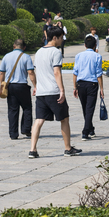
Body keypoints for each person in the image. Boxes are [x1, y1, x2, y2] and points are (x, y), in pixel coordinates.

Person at [29, 27, 81, 158]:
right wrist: (62, 90)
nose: (63, 39)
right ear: (54, 38)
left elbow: (37, 71)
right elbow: (56, 72)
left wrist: (36, 86)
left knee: (39, 120)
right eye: (61, 37)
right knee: (64, 118)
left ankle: (32, 150)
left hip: (41, 92)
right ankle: (68, 148)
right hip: (53, 91)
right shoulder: (56, 52)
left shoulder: (39, 52)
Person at [0, 38, 35, 140]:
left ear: (14, 46)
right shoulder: (26, 57)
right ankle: (26, 129)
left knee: (12, 110)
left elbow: (2, 72)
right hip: (22, 85)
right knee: (27, 108)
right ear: (24, 47)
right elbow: (31, 72)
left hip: (10, 86)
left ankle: (13, 134)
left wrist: (2, 85)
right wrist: (35, 85)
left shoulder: (6, 56)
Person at [73, 35, 105, 141]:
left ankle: (90, 129)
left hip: (81, 84)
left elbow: (75, 73)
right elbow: (98, 74)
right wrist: (102, 89)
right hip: (92, 84)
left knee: (85, 108)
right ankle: (85, 131)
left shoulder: (78, 55)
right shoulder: (97, 56)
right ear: (95, 45)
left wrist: (74, 87)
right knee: (89, 108)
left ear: (85, 45)